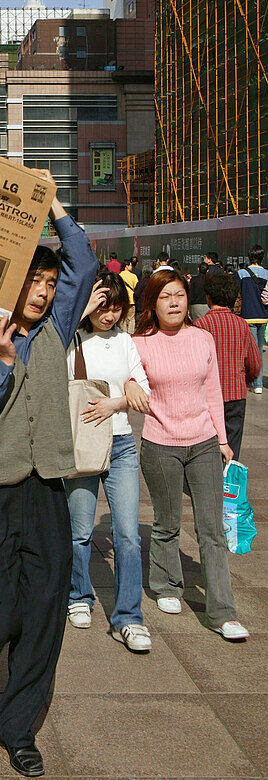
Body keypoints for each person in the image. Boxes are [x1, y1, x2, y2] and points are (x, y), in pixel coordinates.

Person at [0, 175, 98, 778]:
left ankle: (20, 729)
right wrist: (4, 362)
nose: (42, 290)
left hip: (46, 489)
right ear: (11, 284)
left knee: (42, 614)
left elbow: (83, 260)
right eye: (32, 281)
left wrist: (52, 203)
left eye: (48, 282)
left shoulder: (58, 327)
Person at [133, 270, 249, 640]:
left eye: (179, 295)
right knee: (166, 523)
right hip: (161, 443)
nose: (173, 302)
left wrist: (222, 438)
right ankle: (165, 584)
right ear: (152, 303)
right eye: (165, 296)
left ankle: (223, 612)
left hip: (203, 442)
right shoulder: (140, 343)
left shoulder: (203, 339)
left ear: (188, 300)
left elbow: (212, 390)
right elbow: (128, 381)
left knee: (212, 529)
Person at [65, 270, 152, 652]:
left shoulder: (126, 342)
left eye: (116, 308)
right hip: (84, 444)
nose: (110, 316)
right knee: (80, 530)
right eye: (103, 307)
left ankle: (129, 618)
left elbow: (144, 394)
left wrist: (116, 401)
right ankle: (78, 596)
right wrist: (124, 391)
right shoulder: (73, 340)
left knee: (128, 535)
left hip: (121, 445)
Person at [194, 271, 262, 461]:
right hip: (235, 394)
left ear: (208, 297)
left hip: (206, 396)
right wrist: (246, 380)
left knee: (208, 443)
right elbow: (255, 362)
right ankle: (229, 484)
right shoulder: (242, 325)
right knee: (232, 444)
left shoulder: (200, 325)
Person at [237, 245, 268, 395]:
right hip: (263, 316)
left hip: (247, 316)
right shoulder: (267, 274)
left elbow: (236, 293)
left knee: (249, 351)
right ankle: (258, 383)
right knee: (259, 350)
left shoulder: (242, 273)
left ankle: (252, 381)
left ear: (249, 256)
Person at [120, 257, 138, 333]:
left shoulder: (119, 275)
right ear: (126, 266)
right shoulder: (133, 276)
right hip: (131, 300)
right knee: (131, 319)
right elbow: (136, 288)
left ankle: (123, 333)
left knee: (123, 319)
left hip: (122, 300)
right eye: (130, 265)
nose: (131, 267)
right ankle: (131, 334)